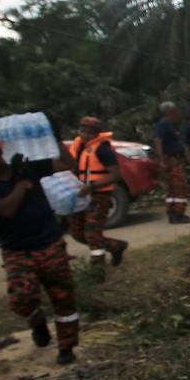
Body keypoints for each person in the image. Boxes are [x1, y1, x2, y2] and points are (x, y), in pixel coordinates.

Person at [0, 131, 82, 365]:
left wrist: (54, 137)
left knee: (64, 300)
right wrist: (20, 186)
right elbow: (6, 210)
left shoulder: (29, 167)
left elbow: (69, 164)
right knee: (21, 300)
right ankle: (37, 321)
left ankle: (66, 347)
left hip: (50, 243)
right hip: (18, 250)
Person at [68, 116, 128, 281]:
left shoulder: (103, 149)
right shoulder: (78, 146)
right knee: (77, 232)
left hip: (99, 194)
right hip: (80, 194)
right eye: (83, 131)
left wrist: (92, 187)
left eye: (90, 132)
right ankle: (116, 246)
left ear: (97, 133)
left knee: (92, 233)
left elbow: (115, 175)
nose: (86, 135)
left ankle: (97, 271)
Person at [154, 102, 190, 225]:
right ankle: (178, 213)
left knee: (172, 187)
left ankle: (172, 212)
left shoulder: (169, 125)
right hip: (171, 159)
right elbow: (157, 141)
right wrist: (162, 160)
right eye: (175, 111)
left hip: (173, 158)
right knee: (179, 185)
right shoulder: (163, 125)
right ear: (169, 111)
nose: (177, 113)